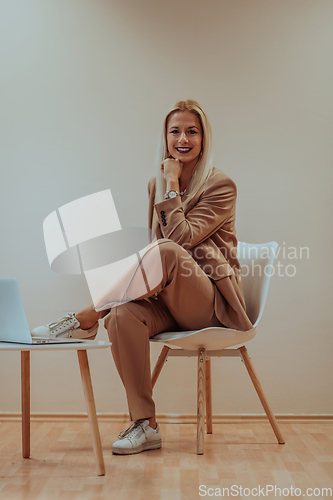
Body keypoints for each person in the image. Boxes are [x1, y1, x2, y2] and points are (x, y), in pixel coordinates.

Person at [32, 99, 252, 455]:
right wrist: (133, 289)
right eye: (175, 131)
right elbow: (155, 248)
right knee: (121, 316)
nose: (183, 138)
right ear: (165, 137)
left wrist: (170, 184)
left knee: (166, 252)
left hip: (210, 304)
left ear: (204, 138)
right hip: (171, 294)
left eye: (191, 131)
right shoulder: (156, 184)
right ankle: (145, 424)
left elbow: (176, 241)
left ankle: (86, 316)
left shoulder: (220, 185)